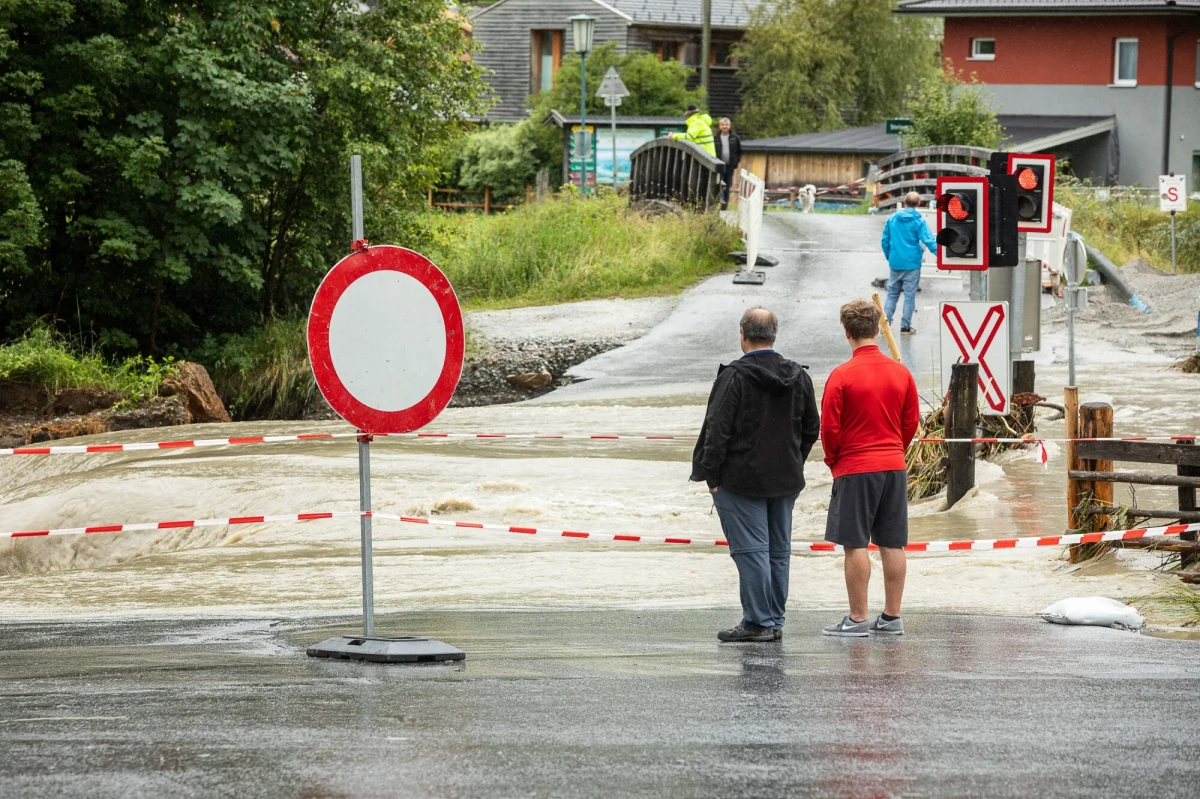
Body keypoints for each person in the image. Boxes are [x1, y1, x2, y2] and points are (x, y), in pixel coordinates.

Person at [691, 308, 821, 642]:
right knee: (778, 552)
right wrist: (795, 460)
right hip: (786, 479)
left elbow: (717, 429)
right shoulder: (798, 375)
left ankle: (759, 622)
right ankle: (773, 620)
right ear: (774, 335)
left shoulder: (734, 376)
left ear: (742, 334)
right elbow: (812, 428)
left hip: (740, 479)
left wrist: (712, 477)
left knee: (751, 551)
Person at [820, 299, 919, 637]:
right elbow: (911, 423)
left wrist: (835, 460)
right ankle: (892, 617)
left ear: (846, 332)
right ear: (878, 329)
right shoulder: (901, 372)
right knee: (893, 542)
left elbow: (829, 429)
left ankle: (858, 618)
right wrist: (895, 451)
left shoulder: (841, 375)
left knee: (855, 544)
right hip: (894, 464)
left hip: (855, 466)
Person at [880, 191, 936, 335]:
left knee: (892, 295)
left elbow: (884, 241)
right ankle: (905, 327)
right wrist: (944, 258)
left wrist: (890, 257)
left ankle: (886, 326)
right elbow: (929, 241)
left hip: (895, 263)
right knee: (909, 296)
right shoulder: (919, 221)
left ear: (904, 202)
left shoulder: (892, 219)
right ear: (918, 204)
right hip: (912, 264)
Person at [716, 117, 742, 209]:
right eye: (723, 125)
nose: (725, 126)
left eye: (726, 125)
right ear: (720, 126)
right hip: (718, 166)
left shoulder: (735, 138)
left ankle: (724, 206)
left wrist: (736, 162)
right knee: (718, 184)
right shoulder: (716, 138)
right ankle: (718, 203)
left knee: (727, 185)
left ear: (729, 126)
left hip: (730, 166)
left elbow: (739, 151)